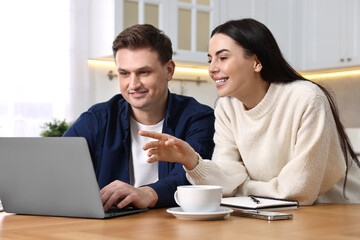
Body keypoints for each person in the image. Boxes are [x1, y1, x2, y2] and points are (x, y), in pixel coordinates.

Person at [141, 18, 360, 205]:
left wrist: (241, 189)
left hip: (340, 212)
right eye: (210, 59)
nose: (212, 68)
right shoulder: (227, 108)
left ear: (256, 62)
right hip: (275, 213)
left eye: (223, 57)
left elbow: (297, 192)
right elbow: (227, 180)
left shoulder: (306, 99)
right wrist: (192, 161)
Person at [64, 24, 215, 210]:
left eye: (143, 72)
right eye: (124, 74)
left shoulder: (199, 119)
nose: (133, 84)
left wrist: (148, 193)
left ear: (169, 70)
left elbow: (196, 176)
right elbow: (58, 166)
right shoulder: (96, 119)